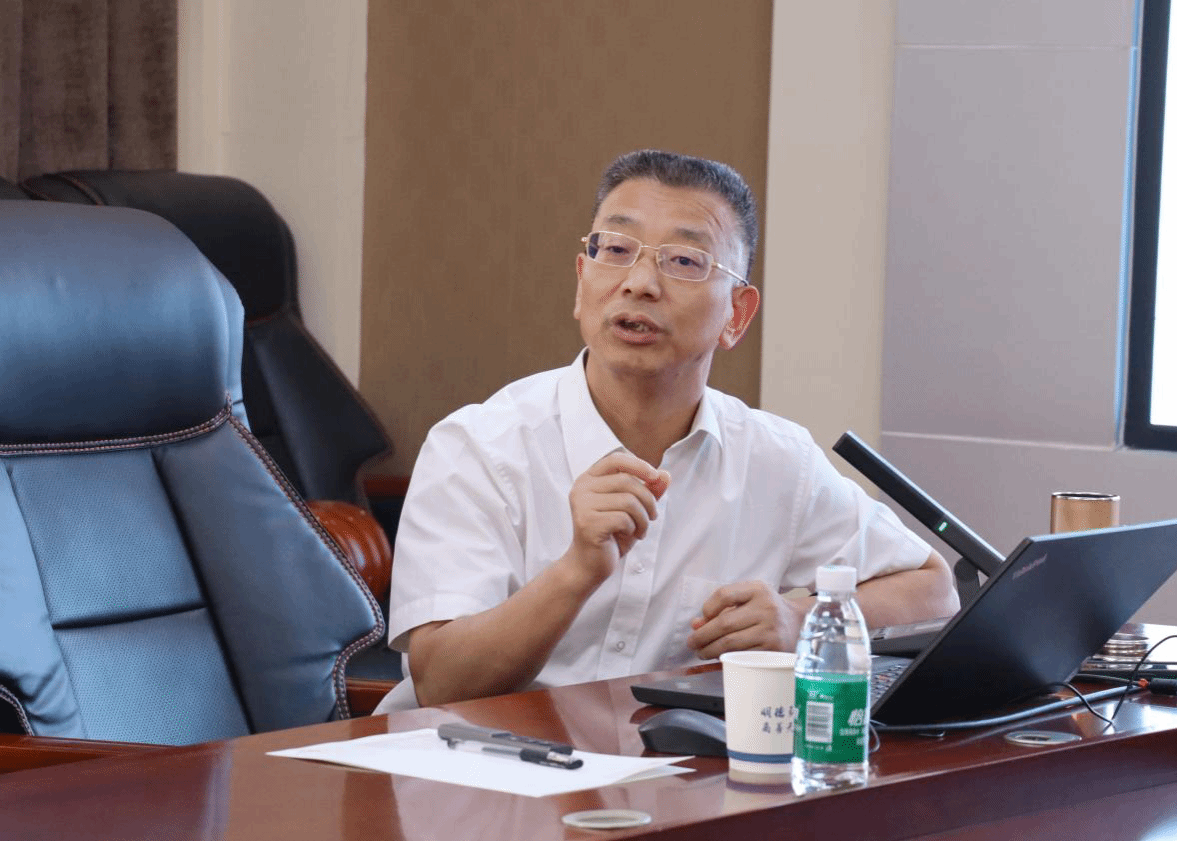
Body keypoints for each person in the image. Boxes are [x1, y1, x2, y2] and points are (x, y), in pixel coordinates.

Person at [375, 149, 958, 712]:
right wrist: (576, 572)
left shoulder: (776, 460)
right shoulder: (479, 447)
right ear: (582, 281)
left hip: (676, 764)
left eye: (683, 261)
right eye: (616, 249)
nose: (639, 283)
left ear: (737, 314)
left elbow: (933, 591)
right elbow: (442, 685)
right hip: (487, 767)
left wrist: (801, 621)